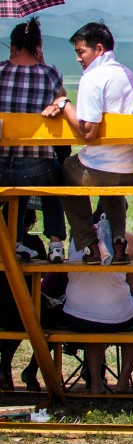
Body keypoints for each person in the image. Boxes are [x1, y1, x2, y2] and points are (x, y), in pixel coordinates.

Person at [44, 22, 133, 264]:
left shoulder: (93, 77)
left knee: (65, 170)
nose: (78, 59)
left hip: (99, 170)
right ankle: (119, 243)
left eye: (80, 52)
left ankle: (88, 245)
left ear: (98, 49)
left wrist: (64, 103)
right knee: (111, 180)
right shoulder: (126, 73)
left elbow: (87, 132)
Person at [0, 16, 67, 262]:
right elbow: (62, 97)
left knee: (18, 182)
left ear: (12, 46)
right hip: (36, 167)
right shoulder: (48, 72)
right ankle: (56, 243)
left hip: (1, 167)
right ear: (38, 46)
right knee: (55, 176)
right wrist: (42, 61)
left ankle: (14, 241)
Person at [61, 231, 133, 393]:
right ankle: (122, 383)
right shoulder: (127, 238)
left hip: (75, 316)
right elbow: (132, 284)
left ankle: (95, 383)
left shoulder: (75, 236)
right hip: (116, 318)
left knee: (94, 318)